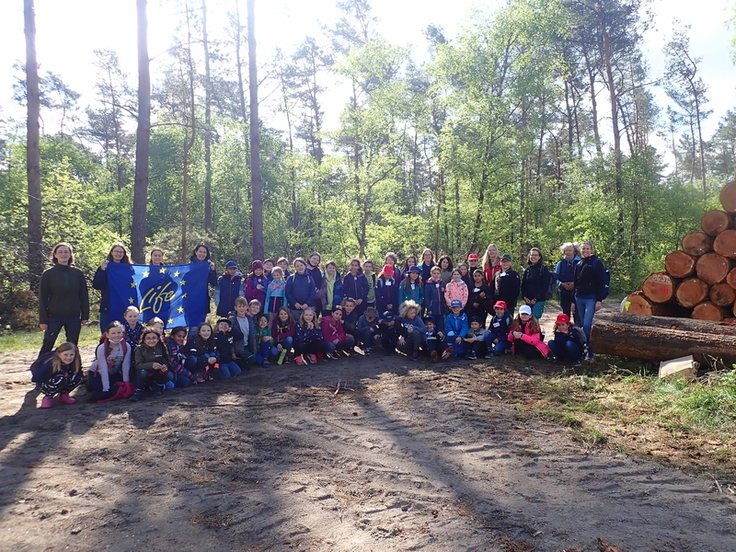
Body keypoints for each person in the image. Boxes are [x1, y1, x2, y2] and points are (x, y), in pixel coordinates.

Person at [38, 242, 90, 354]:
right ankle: (40, 369)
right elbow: (42, 298)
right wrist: (43, 320)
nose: (63, 254)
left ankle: (74, 369)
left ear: (70, 254)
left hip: (73, 316)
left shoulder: (77, 273)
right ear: (55, 255)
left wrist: (85, 315)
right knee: (48, 343)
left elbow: (83, 296)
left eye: (66, 252)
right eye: (60, 252)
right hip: (54, 315)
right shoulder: (48, 274)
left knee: (72, 344)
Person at [573, 240, 607, 360]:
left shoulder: (596, 263)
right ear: (580, 250)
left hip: (591, 298)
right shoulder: (578, 264)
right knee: (581, 324)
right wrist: (573, 301)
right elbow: (575, 283)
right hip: (579, 297)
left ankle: (590, 350)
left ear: (591, 250)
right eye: (583, 249)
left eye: (587, 248)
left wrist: (599, 300)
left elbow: (601, 282)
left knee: (587, 325)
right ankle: (582, 348)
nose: (585, 251)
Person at [92, 243, 132, 331]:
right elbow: (96, 285)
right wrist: (102, 271)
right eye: (116, 251)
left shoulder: (129, 269)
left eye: (121, 252)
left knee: (125, 332)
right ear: (111, 253)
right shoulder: (104, 267)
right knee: (107, 332)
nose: (119, 254)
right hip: (108, 306)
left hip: (124, 305)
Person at [88, 321, 132, 398]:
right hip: (97, 372)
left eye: (119, 332)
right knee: (102, 393)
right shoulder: (102, 348)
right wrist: (106, 389)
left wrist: (126, 383)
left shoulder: (126, 346)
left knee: (119, 389)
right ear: (107, 335)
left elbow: (125, 365)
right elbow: (103, 368)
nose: (116, 335)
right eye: (113, 333)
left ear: (122, 334)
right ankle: (90, 383)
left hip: (113, 373)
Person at [32, 342, 83, 408]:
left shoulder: (75, 362)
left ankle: (64, 395)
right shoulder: (50, 362)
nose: (69, 357)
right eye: (65, 355)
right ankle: (48, 397)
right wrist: (49, 379)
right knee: (60, 379)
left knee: (77, 378)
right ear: (59, 354)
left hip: (62, 381)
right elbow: (35, 378)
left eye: (71, 355)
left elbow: (79, 374)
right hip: (47, 384)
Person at [131, 328, 174, 400]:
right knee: (142, 372)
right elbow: (138, 365)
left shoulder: (162, 347)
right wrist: (151, 365)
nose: (151, 340)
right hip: (143, 374)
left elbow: (165, 360)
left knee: (169, 375)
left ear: (158, 339)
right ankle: (139, 390)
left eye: (154, 338)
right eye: (148, 338)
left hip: (156, 374)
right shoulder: (140, 349)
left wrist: (164, 366)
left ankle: (156, 386)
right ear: (144, 340)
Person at [521, 247, 552, 319]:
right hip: (528, 300)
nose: (533, 257)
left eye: (535, 255)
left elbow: (545, 286)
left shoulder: (543, 268)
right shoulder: (528, 269)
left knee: (534, 320)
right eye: (532, 255)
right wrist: (525, 297)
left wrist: (536, 299)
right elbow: (523, 285)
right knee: (526, 319)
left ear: (539, 257)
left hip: (539, 300)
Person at [190, 243, 218, 318]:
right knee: (193, 328)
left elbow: (214, 283)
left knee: (201, 327)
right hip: (191, 302)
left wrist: (212, 270)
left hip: (203, 302)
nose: (202, 254)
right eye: (200, 251)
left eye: (204, 252)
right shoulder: (189, 267)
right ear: (196, 252)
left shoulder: (208, 268)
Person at [556, 243, 581, 325]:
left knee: (577, 315)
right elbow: (555, 278)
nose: (567, 252)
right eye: (566, 250)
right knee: (565, 315)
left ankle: (577, 333)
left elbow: (583, 278)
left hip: (577, 292)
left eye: (569, 250)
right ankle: (566, 332)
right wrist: (561, 284)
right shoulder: (560, 263)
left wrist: (574, 284)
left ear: (574, 251)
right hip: (564, 292)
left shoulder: (580, 262)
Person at [229, 297, 256, 369]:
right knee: (251, 359)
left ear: (247, 307)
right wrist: (232, 352)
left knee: (255, 360)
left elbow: (252, 336)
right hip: (237, 347)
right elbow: (229, 337)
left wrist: (254, 350)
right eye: (239, 306)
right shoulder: (232, 320)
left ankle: (240, 362)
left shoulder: (249, 319)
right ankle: (238, 363)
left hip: (247, 345)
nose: (241, 308)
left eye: (243, 306)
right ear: (235, 307)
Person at [285, 258, 316, 322]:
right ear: (295, 268)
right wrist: (295, 303)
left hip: (307, 308)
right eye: (297, 266)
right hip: (294, 308)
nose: (300, 267)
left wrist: (307, 303)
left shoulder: (309, 278)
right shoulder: (291, 278)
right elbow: (288, 292)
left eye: (301, 265)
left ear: (305, 266)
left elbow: (312, 292)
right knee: (295, 326)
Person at [424, 265, 447, 329]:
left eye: (438, 273)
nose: (436, 275)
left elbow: (446, 294)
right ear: (431, 273)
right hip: (432, 308)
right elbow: (426, 297)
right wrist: (429, 308)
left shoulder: (442, 283)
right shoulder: (428, 284)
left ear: (440, 274)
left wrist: (444, 291)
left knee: (440, 324)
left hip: (441, 308)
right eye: (434, 273)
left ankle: (440, 337)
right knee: (432, 324)